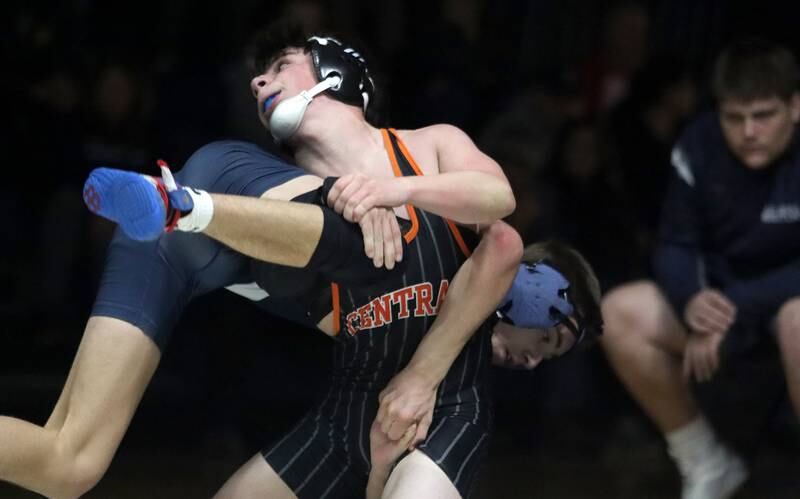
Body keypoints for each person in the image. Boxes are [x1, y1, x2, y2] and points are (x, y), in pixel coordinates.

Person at [0, 24, 523, 499]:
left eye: (279, 67)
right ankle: (179, 205)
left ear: (335, 68)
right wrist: (374, 197)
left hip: (233, 261)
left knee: (67, 464)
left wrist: (387, 191)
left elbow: (497, 200)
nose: (256, 84)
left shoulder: (430, 147)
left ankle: (177, 208)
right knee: (359, 234)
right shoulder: (288, 169)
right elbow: (496, 215)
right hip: (216, 200)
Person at [601, 37, 800, 499]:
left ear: (795, 106)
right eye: (735, 117)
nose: (748, 131)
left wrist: (733, 306)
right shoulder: (700, 142)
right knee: (619, 311)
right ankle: (706, 461)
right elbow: (675, 240)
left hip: (775, 309)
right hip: (722, 306)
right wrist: (691, 298)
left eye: (763, 115)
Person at [367, 239, 603, 498]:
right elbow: (502, 239)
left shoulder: (469, 407)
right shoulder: (423, 266)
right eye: (545, 337)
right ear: (527, 284)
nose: (531, 361)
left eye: (545, 358)